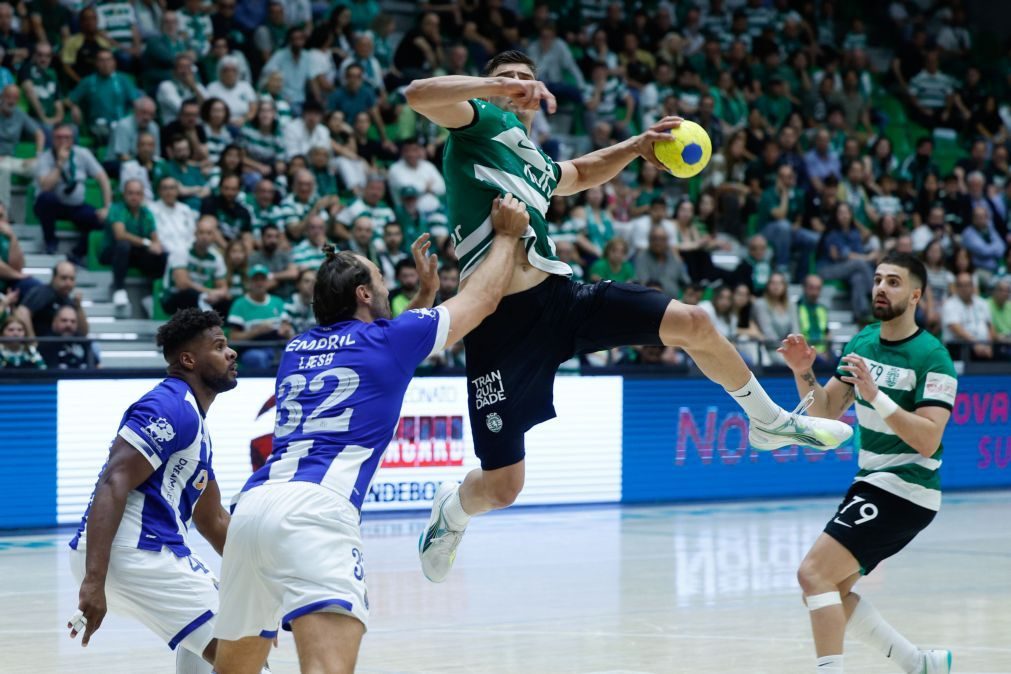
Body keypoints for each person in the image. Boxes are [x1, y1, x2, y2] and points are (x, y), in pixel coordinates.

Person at [404, 50, 853, 584]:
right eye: (509, 78)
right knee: (503, 487)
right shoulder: (475, 121)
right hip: (499, 325)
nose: (519, 86)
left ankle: (768, 420)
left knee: (695, 322)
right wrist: (490, 86)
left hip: (560, 297)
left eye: (527, 78)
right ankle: (451, 511)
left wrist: (638, 147)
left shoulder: (533, 160)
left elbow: (577, 174)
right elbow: (417, 94)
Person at [211, 196, 530, 674]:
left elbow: (389, 345)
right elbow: (480, 301)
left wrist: (423, 297)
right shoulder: (390, 339)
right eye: (380, 282)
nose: (386, 289)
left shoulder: (297, 349)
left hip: (250, 511)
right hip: (316, 512)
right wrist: (506, 235)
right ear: (363, 293)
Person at [778, 251, 956, 674]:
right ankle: (920, 664)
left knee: (813, 575)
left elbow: (929, 440)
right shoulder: (863, 341)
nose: (880, 287)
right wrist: (803, 372)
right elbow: (824, 413)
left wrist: (877, 395)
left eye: (893, 281)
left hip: (909, 488)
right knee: (825, 591)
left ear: (915, 295)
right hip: (871, 481)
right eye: (878, 279)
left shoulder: (933, 358)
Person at [65, 309, 259, 674]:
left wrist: (260, 573)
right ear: (188, 359)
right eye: (219, 347)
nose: (231, 353)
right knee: (243, 652)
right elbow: (113, 481)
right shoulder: (169, 406)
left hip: (134, 553)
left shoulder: (193, 423)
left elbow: (212, 519)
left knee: (220, 626)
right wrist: (94, 580)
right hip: (135, 551)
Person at [33, 124, 112, 259]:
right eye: (59, 137)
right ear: (52, 139)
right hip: (54, 206)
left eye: (67, 137)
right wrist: (59, 164)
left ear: (72, 139)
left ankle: (76, 254)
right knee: (45, 198)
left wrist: (107, 207)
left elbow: (103, 178)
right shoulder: (45, 158)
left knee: (103, 221)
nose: (63, 141)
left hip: (76, 206)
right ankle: (50, 242)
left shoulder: (83, 153)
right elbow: (45, 186)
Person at [100, 178, 168, 316]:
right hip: (112, 252)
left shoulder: (146, 213)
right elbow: (120, 235)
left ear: (142, 196)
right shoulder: (116, 208)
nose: (134, 197)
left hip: (134, 253)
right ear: (124, 194)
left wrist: (156, 246)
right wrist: (147, 243)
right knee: (123, 246)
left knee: (161, 255)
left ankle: (152, 294)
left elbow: (154, 238)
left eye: (137, 193)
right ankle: (119, 289)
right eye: (130, 193)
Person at [226, 264, 292, 371]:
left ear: (267, 282)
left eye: (262, 279)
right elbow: (233, 337)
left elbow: (287, 327)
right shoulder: (239, 304)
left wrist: (286, 331)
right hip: (251, 350)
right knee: (257, 358)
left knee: (290, 357)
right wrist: (256, 331)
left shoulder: (277, 302)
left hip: (277, 347)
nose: (259, 283)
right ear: (249, 283)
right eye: (255, 280)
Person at [161, 217, 230, 316]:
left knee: (226, 303)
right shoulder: (182, 250)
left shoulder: (216, 257)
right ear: (195, 233)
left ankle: (221, 330)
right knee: (189, 294)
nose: (204, 237)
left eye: (209, 233)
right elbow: (182, 284)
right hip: (173, 297)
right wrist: (208, 292)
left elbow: (224, 288)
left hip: (200, 296)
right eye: (201, 232)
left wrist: (216, 295)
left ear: (214, 236)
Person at [18, 260, 89, 338]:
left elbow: (83, 333)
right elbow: (22, 312)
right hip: (42, 345)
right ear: (54, 278)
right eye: (64, 278)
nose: (68, 283)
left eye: (72, 279)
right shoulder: (42, 293)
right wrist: (32, 340)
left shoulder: (69, 301)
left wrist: (78, 307)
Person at [0, 84, 45, 208]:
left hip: (12, 159)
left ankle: (36, 208)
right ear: (2, 97)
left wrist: (38, 156)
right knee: (3, 169)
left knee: (39, 166)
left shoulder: (19, 114)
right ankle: (4, 212)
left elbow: (39, 134)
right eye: (9, 97)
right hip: (1, 161)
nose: (11, 101)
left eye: (15, 98)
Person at [941, 272, 994, 361]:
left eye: (968, 285)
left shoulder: (982, 303)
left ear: (973, 286)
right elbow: (956, 329)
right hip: (959, 347)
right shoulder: (949, 304)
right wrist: (976, 344)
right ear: (956, 288)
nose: (965, 288)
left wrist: (989, 346)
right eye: (961, 285)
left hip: (984, 347)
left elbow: (990, 327)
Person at [38, 304, 98, 369]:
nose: (69, 325)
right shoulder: (45, 343)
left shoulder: (83, 342)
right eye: (64, 320)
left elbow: (96, 366)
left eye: (73, 321)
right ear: (54, 322)